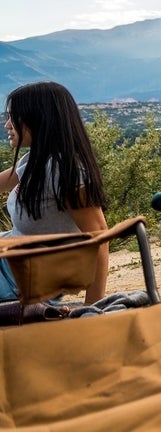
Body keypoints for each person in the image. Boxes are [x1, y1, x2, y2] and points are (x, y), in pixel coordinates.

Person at [1, 82, 109, 303]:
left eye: (13, 117)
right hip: (12, 261)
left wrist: (92, 307)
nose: (7, 125)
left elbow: (99, 238)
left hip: (25, 281)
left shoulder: (64, 169)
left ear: (38, 119)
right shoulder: (35, 160)